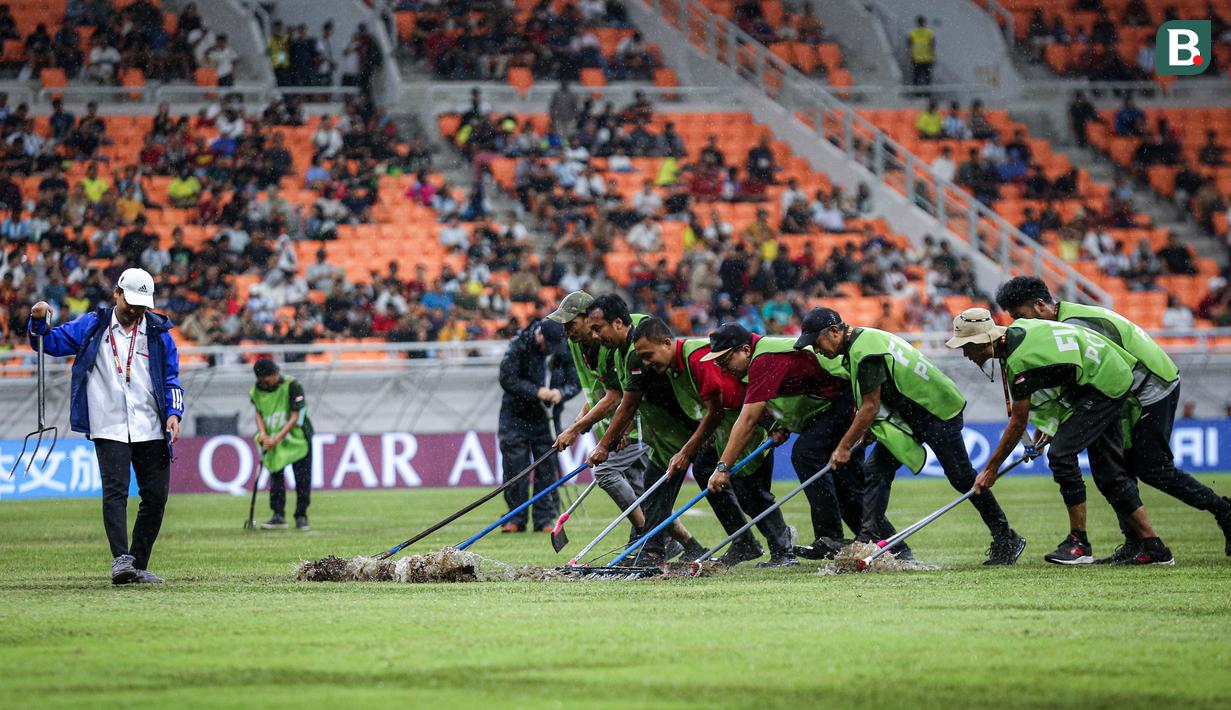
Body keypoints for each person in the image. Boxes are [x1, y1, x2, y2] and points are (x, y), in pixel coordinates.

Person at [995, 278, 1231, 559]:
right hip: (1125, 388)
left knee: (1150, 467)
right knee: (1115, 467)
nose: (1019, 325)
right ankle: (1136, 545)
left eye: (1021, 316)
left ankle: (1223, 510)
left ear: (1041, 305)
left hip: (1150, 385)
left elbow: (1105, 371)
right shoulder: (1064, 320)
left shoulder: (1074, 325)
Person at [948, 307, 1177, 566]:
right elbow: (1058, 374)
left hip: (1103, 384)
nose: (965, 354)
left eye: (966, 346)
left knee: (1061, 455)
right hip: (1101, 379)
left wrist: (990, 470)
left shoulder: (1018, 362)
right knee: (1108, 472)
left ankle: (1079, 543)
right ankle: (1154, 547)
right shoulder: (1020, 331)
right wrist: (1048, 426)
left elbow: (1017, 423)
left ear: (984, 341)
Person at [805, 308, 1026, 564]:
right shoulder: (866, 339)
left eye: (816, 343)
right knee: (876, 469)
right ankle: (868, 541)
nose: (817, 351)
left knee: (962, 477)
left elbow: (870, 407)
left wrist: (843, 447)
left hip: (938, 411)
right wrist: (867, 431)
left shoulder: (865, 352)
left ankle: (1006, 536)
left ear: (834, 332)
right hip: (912, 416)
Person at [28, 268, 185, 585]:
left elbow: (171, 379)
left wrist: (174, 413)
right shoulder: (93, 325)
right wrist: (37, 320)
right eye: (131, 302)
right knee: (115, 493)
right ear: (117, 293)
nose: (136, 310)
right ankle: (121, 561)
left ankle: (138, 565)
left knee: (155, 497)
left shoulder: (158, 333)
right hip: (108, 423)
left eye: (143, 304)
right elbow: (49, 343)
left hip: (152, 425)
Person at [706, 319, 884, 560]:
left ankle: (830, 537)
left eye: (724, 360)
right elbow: (773, 400)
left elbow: (747, 420)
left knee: (806, 455)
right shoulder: (755, 361)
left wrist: (723, 467)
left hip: (842, 399)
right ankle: (879, 541)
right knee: (845, 482)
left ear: (745, 350)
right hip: (825, 407)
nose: (722, 368)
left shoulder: (764, 358)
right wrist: (776, 425)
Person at [631, 317, 798, 567]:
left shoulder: (696, 358)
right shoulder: (674, 366)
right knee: (704, 470)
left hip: (746, 421)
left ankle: (783, 549)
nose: (646, 363)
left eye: (648, 355)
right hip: (724, 427)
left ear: (667, 343)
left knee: (749, 490)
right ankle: (744, 542)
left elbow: (716, 409)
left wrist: (686, 451)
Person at [584, 294, 716, 564]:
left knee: (728, 489)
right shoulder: (616, 353)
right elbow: (634, 402)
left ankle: (769, 540)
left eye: (598, 329)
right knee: (654, 495)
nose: (595, 336)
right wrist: (623, 431)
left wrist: (604, 445)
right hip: (665, 438)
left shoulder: (636, 353)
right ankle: (658, 549)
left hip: (686, 432)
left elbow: (628, 404)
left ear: (618, 323)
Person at [548, 291, 661, 551]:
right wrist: (582, 420)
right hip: (619, 426)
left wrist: (576, 430)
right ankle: (665, 540)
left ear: (589, 319)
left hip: (637, 424)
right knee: (641, 491)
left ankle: (647, 535)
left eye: (571, 324)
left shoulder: (609, 344)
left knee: (610, 474)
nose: (567, 332)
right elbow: (598, 391)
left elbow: (616, 396)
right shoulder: (582, 346)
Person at [497, 318, 580, 533]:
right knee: (515, 469)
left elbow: (576, 381)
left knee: (546, 470)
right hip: (516, 417)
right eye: (547, 346)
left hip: (548, 419)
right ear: (539, 335)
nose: (550, 350)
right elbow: (507, 379)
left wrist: (561, 393)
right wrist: (536, 392)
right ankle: (515, 518)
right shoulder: (519, 345)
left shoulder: (563, 349)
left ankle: (544, 519)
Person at [250, 358, 314, 530]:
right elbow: (258, 412)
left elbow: (295, 416)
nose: (268, 382)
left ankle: (301, 516)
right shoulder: (257, 389)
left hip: (298, 437)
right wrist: (263, 434)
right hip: (272, 436)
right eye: (263, 380)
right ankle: (278, 515)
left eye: (270, 377)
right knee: (276, 476)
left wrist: (276, 439)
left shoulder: (293, 385)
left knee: (302, 478)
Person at [907, 16, 935, 87]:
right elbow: (932, 46)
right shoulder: (929, 33)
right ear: (924, 23)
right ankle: (927, 94)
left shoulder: (912, 33)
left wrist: (910, 56)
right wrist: (933, 57)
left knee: (916, 77)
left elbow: (909, 47)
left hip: (917, 59)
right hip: (927, 59)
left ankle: (917, 94)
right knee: (927, 78)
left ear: (917, 23)